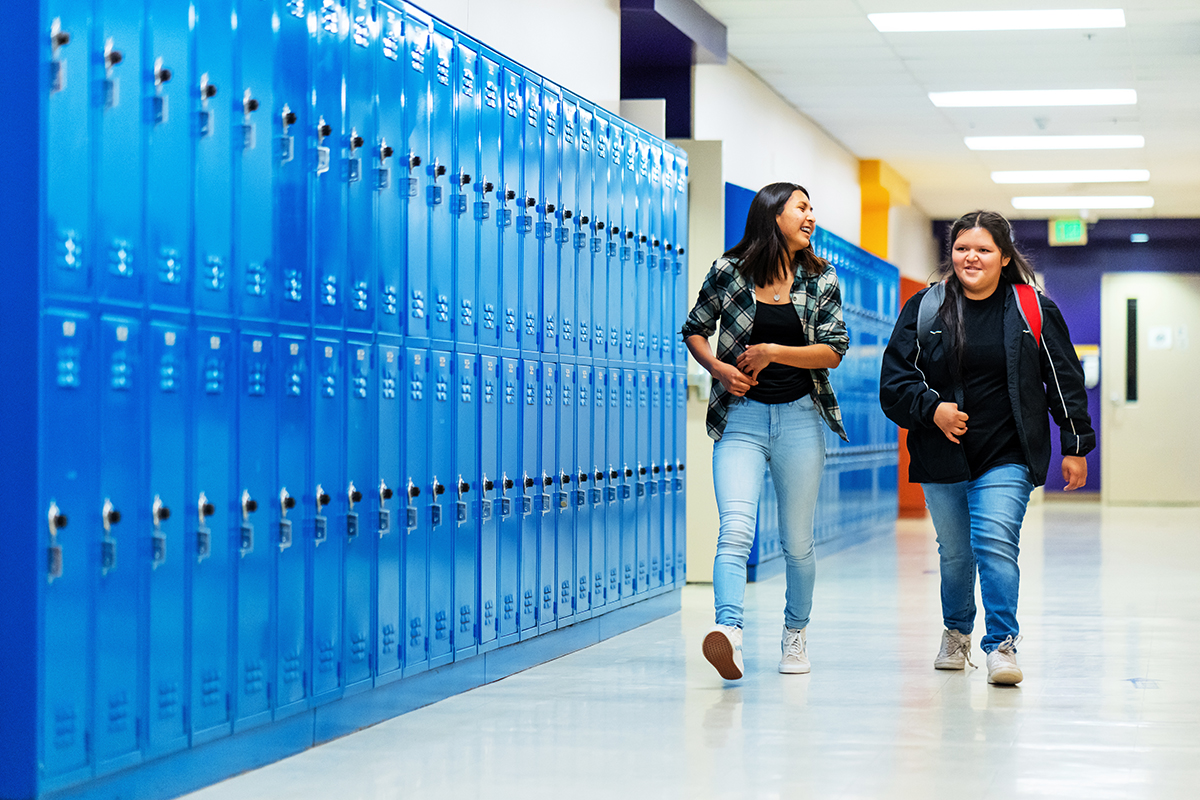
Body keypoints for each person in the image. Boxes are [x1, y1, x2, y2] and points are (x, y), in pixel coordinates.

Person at [880, 210, 1094, 685]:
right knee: (956, 554)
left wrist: (1074, 443)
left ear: (1003, 256)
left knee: (996, 544)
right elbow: (894, 381)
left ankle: (1001, 644)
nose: (970, 257)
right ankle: (956, 632)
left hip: (1008, 451)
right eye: (961, 248)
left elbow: (1063, 379)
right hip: (942, 453)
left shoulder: (1032, 308)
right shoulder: (926, 307)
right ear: (951, 253)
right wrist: (931, 408)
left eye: (983, 249)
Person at [681, 182, 849, 680]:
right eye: (801, 206)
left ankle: (794, 634)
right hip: (741, 419)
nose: (810, 215)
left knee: (797, 542)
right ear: (774, 214)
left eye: (812, 207)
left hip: (799, 415)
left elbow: (834, 350)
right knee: (734, 528)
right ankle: (728, 632)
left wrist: (774, 351)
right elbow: (694, 326)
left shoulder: (821, 278)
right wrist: (716, 367)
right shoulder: (727, 273)